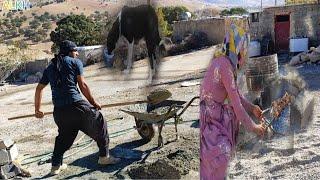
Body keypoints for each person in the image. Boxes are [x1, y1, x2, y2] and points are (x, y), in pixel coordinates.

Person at [34, 40, 120, 176]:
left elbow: (39, 89)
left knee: (63, 137)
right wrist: (93, 102)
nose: (77, 53)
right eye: (75, 51)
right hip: (76, 106)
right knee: (99, 121)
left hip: (60, 112)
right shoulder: (75, 63)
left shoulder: (49, 67)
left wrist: (37, 110)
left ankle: (55, 167)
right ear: (69, 52)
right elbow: (83, 85)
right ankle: (104, 157)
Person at [199, 23, 265, 179]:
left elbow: (236, 95)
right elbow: (236, 105)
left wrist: (252, 108)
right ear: (237, 48)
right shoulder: (225, 67)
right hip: (212, 119)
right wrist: (254, 127)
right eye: (243, 49)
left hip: (210, 114)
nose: (244, 54)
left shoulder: (222, 62)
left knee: (213, 161)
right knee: (219, 157)